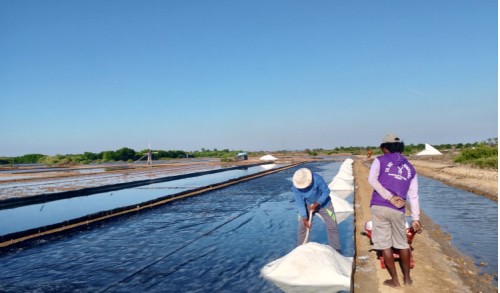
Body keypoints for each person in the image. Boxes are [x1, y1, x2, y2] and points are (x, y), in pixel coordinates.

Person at [368, 133, 421, 288]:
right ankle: (407, 279)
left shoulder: (380, 160)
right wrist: (416, 218)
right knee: (402, 244)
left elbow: (372, 180)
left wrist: (389, 197)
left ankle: (395, 281)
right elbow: (414, 195)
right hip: (399, 209)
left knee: (385, 244)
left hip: (380, 206)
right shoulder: (410, 168)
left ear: (385, 148)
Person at [292, 167, 341, 253]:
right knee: (302, 228)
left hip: (324, 204)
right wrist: (304, 218)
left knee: (332, 227)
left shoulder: (317, 178)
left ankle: (336, 251)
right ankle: (300, 251)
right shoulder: (296, 186)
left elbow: (326, 191)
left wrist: (318, 203)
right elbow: (299, 202)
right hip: (307, 204)